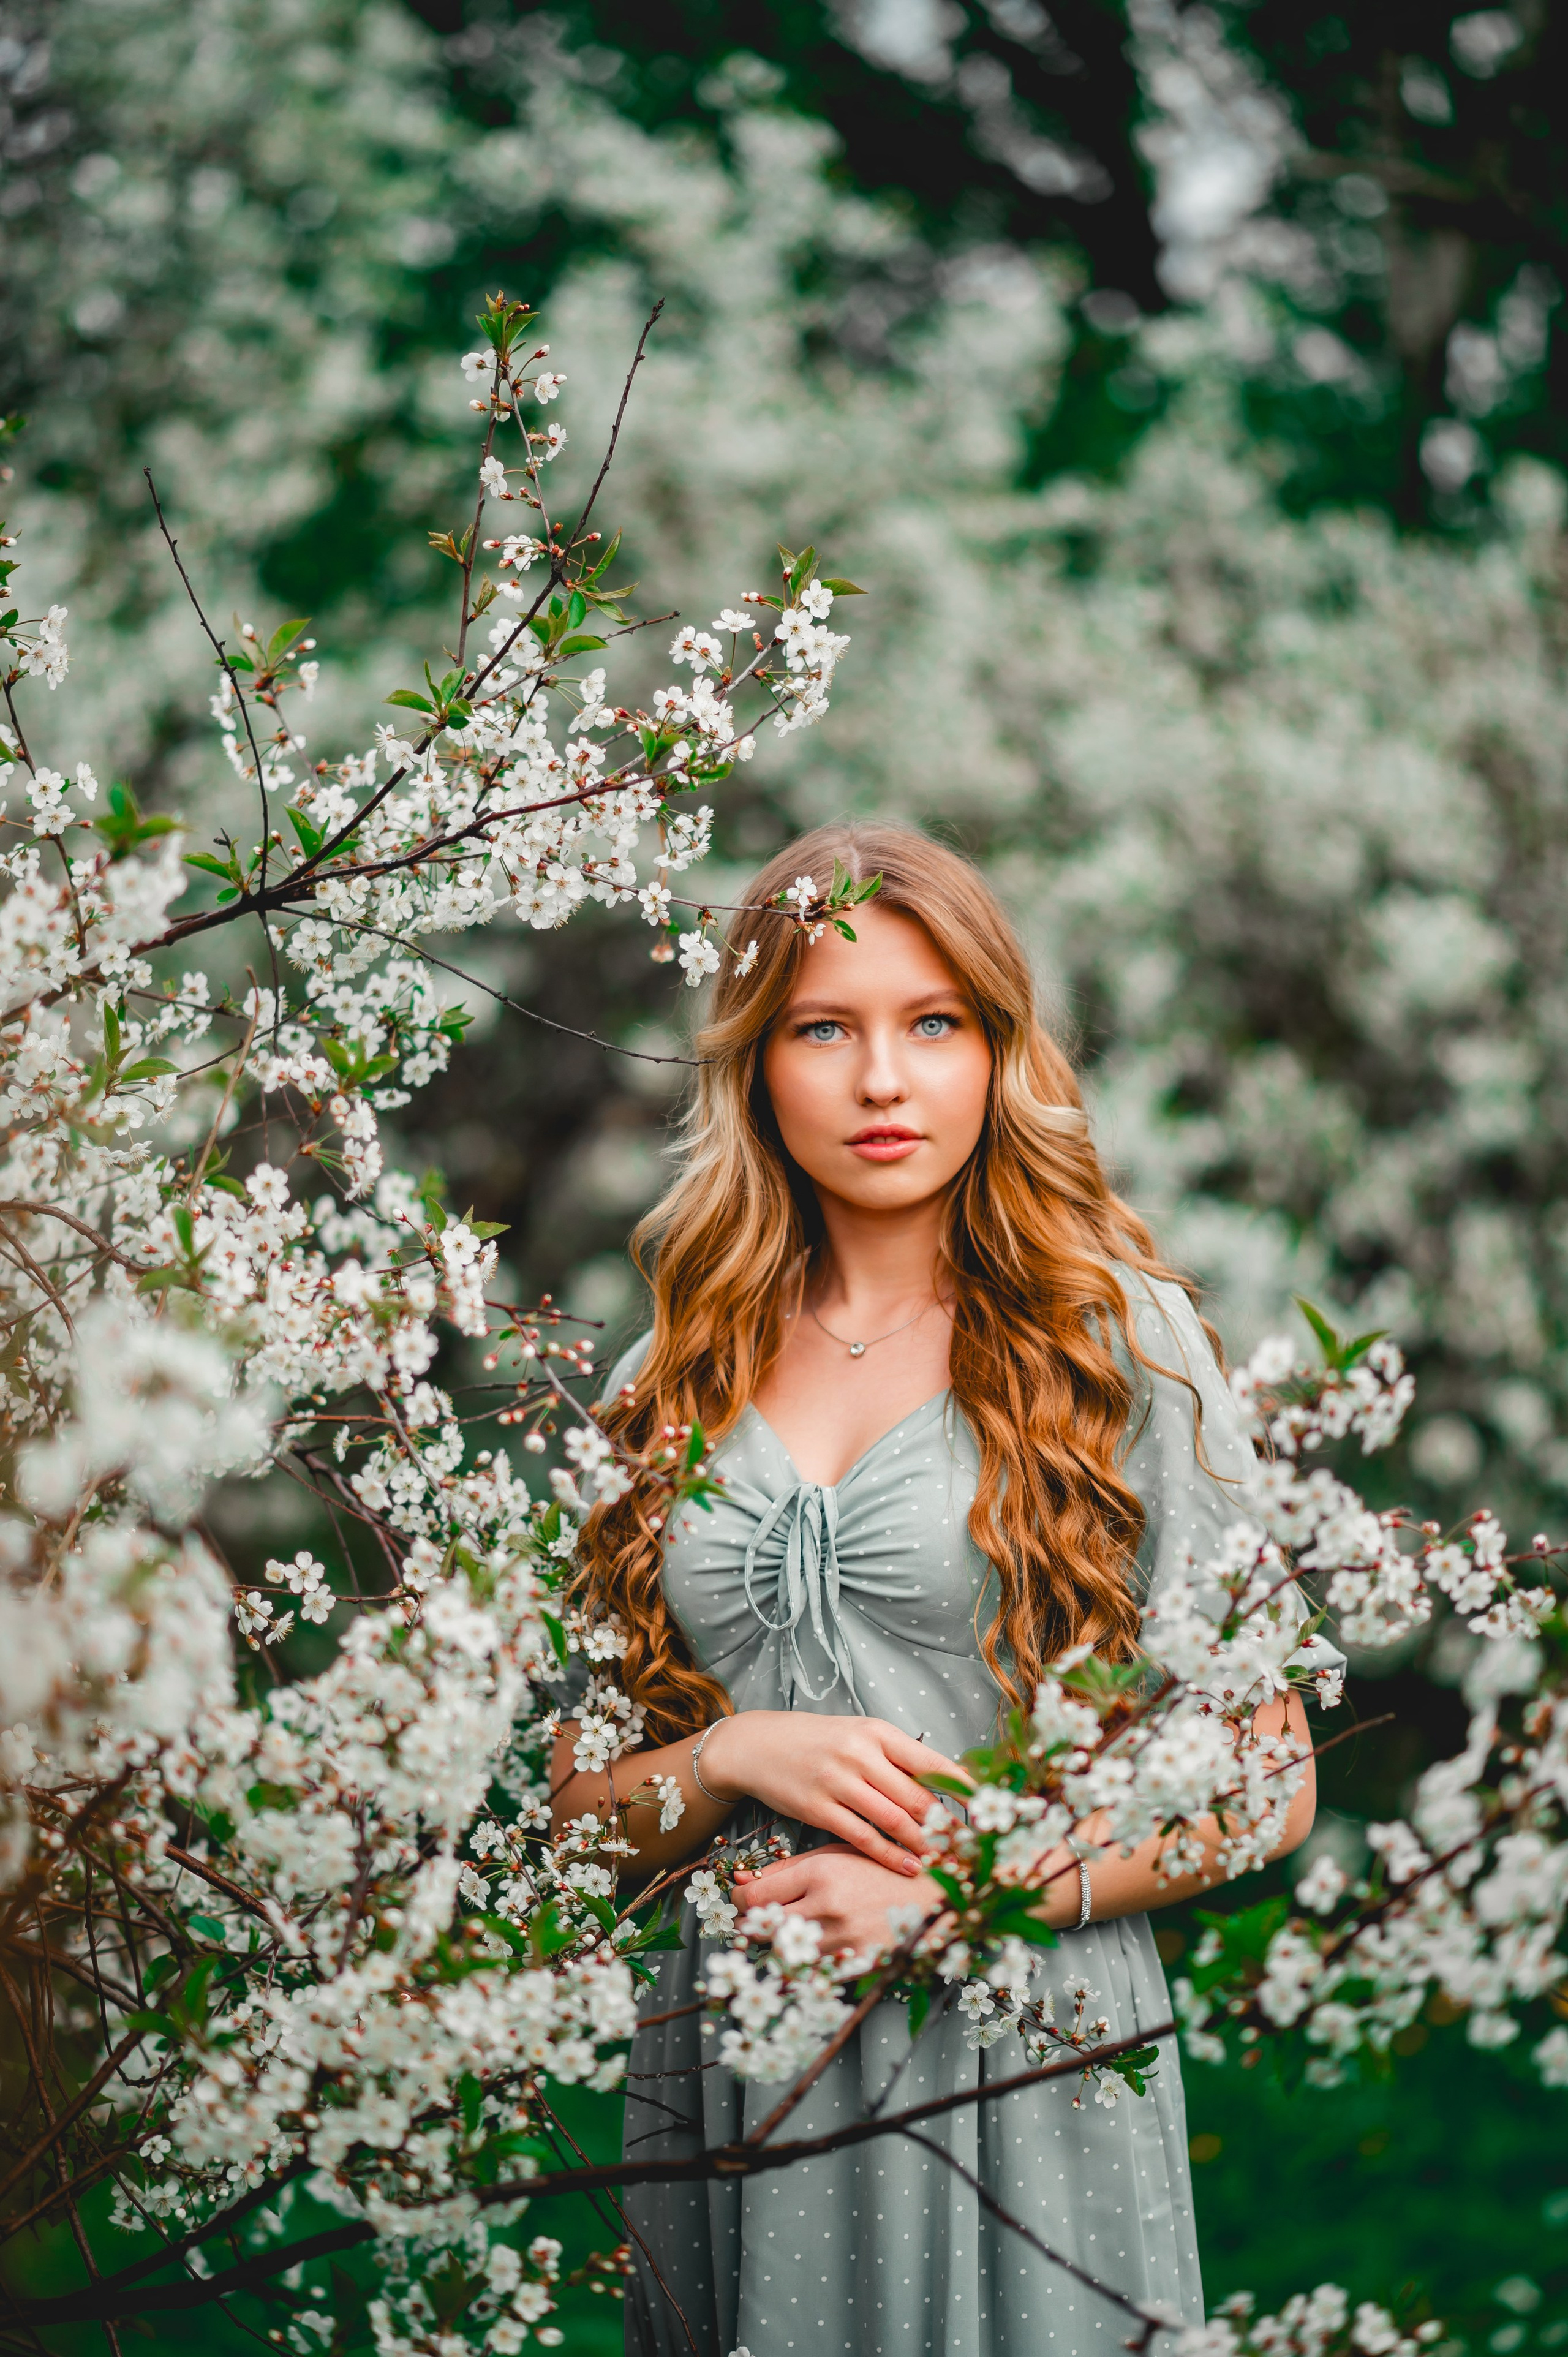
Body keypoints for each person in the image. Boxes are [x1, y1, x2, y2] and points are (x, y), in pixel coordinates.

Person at [550, 822, 1322, 2357]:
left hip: (1021, 2034)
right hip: (736, 2062)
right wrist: (726, 1755)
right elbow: (574, 1831)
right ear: (756, 1064)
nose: (882, 1081)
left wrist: (951, 1894)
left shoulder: (1118, 1345)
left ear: (995, 1047)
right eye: (824, 1029)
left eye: (932, 1024)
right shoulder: (659, 1385)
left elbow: (1266, 1775)